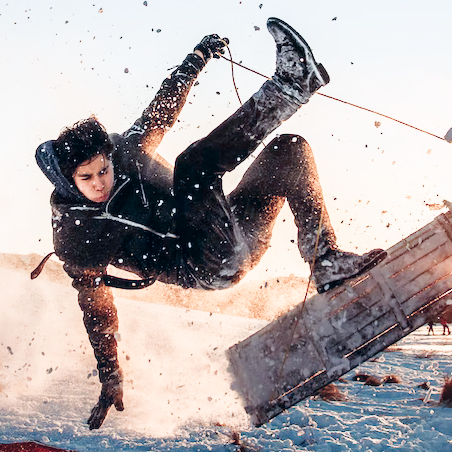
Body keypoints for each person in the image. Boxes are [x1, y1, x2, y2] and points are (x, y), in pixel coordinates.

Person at [35, 18, 386, 429]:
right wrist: (110, 373)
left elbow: (164, 106)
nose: (100, 182)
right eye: (87, 178)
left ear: (109, 156)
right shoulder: (77, 236)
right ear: (69, 183)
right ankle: (291, 86)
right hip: (203, 264)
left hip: (232, 232)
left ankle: (324, 257)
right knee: (194, 165)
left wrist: (198, 58)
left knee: (289, 151)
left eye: (103, 169)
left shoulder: (126, 151)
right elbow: (95, 306)